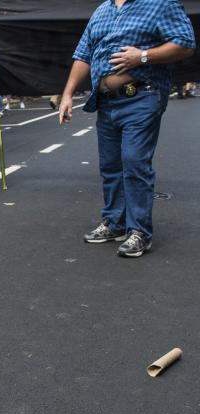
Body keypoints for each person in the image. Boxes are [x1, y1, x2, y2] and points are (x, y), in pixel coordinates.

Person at [60, 0, 195, 258]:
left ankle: (139, 231)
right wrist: (67, 93)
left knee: (134, 162)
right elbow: (83, 54)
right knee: (110, 166)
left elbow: (185, 43)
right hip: (107, 102)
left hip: (142, 96)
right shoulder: (102, 10)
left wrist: (143, 56)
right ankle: (115, 223)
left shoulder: (160, 4)